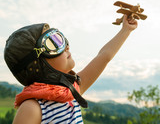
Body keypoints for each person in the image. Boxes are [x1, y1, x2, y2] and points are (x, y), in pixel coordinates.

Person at [4, 14, 138, 124]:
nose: (66, 46)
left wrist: (125, 30)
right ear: (36, 65)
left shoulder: (71, 92)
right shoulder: (33, 108)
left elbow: (103, 57)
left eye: (60, 38)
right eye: (53, 43)